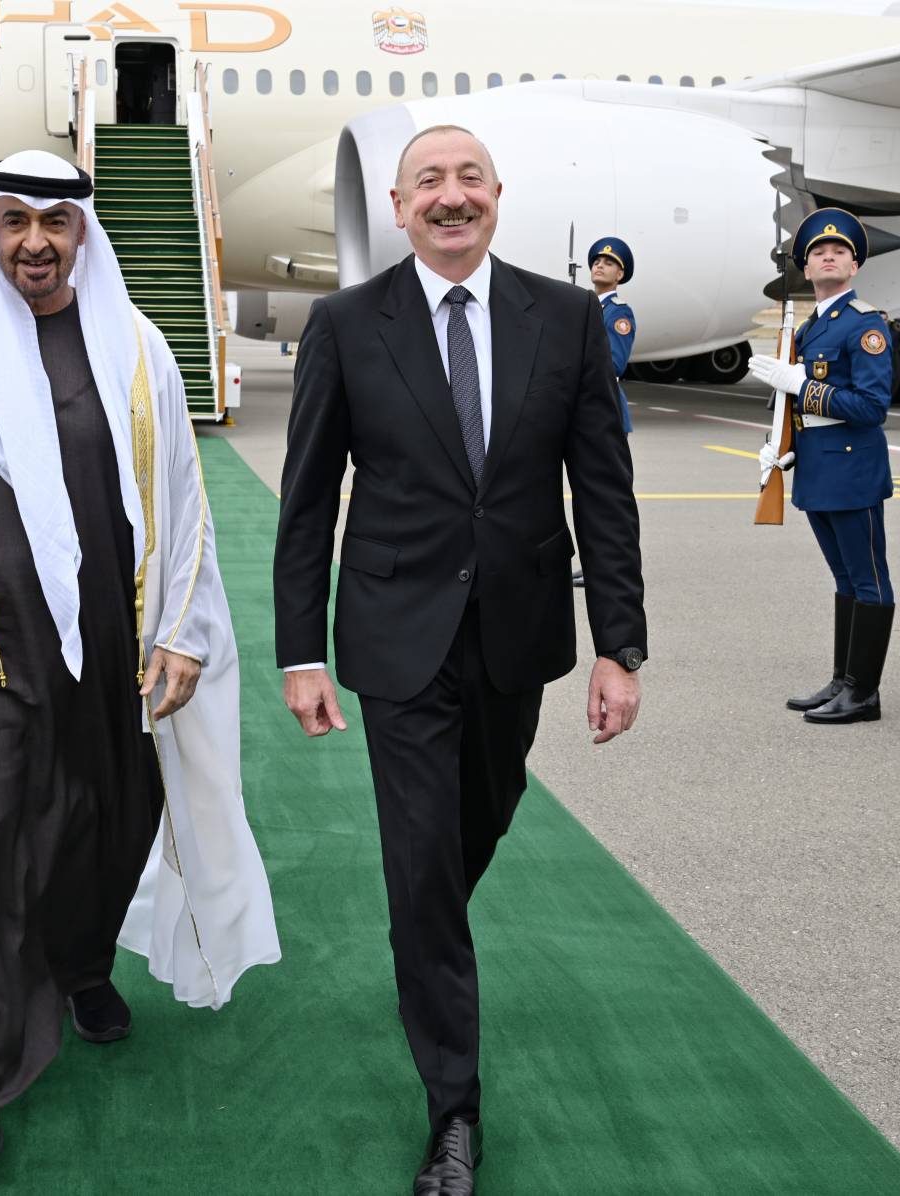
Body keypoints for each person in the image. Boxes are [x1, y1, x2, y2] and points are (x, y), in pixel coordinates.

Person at [0, 150, 278, 1196]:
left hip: (115, 649)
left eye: (54, 222)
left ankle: (80, 965)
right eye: (14, 222)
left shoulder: (135, 344)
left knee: (108, 820)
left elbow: (183, 500)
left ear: (82, 233)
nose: (33, 242)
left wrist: (183, 631)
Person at [273, 125, 646, 1196]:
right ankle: (453, 1109)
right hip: (396, 634)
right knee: (423, 855)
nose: (450, 196)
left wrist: (619, 645)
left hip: (515, 633)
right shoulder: (348, 324)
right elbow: (306, 502)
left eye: (467, 179)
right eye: (428, 182)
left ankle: (420, 937)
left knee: (475, 820)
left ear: (496, 196)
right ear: (398, 206)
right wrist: (300, 650)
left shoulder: (564, 318)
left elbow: (603, 489)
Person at [748, 207, 898, 725]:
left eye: (839, 251)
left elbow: (872, 407)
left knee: (868, 578)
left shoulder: (866, 324)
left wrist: (802, 385)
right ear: (806, 268)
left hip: (853, 469)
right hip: (818, 466)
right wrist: (786, 447)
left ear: (854, 266)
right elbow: (801, 409)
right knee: (844, 577)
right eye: (818, 252)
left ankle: (864, 694)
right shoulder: (811, 328)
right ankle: (844, 680)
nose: (828, 256)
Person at [576, 235, 637, 587]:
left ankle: (612, 566)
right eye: (597, 261)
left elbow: (614, 362)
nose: (601, 265)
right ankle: (593, 564)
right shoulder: (585, 307)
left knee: (608, 497)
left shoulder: (618, 314)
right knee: (589, 496)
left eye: (609, 263)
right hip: (586, 411)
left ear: (620, 275)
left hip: (607, 411)